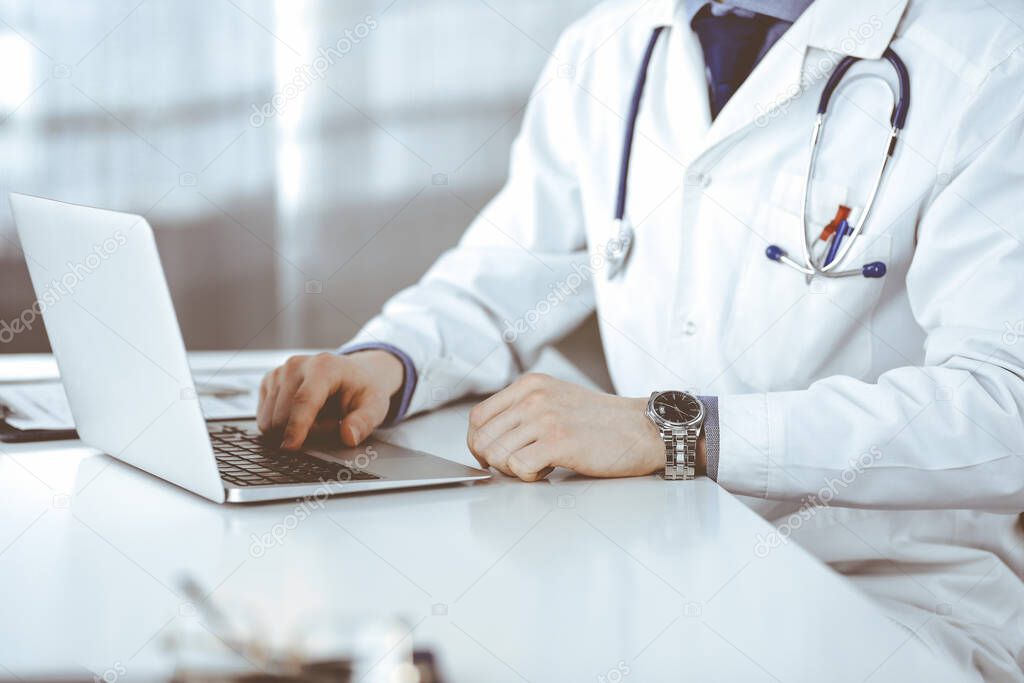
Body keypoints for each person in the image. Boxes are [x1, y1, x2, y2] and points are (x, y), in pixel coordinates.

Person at [258, 0, 1024, 677]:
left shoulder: (989, 58)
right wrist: (389, 359)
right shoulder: (611, 44)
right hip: (652, 562)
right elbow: (505, 272)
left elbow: (1003, 407)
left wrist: (677, 428)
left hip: (886, 599)